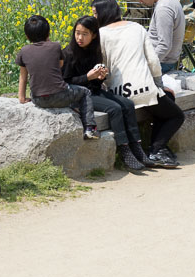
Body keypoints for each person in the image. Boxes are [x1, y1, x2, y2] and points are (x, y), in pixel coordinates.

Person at [90, 0, 184, 168]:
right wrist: (159, 86)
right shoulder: (136, 27)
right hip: (146, 90)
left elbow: (102, 68)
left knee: (164, 107)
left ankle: (156, 151)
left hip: (120, 95)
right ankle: (156, 149)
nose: (93, 18)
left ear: (103, 13)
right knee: (176, 115)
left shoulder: (100, 35)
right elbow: (154, 62)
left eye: (95, 14)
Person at [63, 15, 150, 171]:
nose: (79, 38)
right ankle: (125, 150)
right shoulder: (68, 53)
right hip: (80, 96)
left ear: (94, 35)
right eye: (77, 33)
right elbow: (66, 83)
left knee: (128, 104)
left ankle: (136, 146)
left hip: (94, 92)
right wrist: (88, 77)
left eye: (84, 34)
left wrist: (100, 77)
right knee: (114, 109)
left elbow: (94, 83)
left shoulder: (95, 52)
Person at [17, 14, 98, 138]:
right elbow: (60, 65)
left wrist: (22, 98)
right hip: (60, 95)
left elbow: (23, 77)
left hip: (38, 99)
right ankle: (90, 128)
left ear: (27, 36)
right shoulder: (55, 46)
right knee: (85, 93)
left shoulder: (23, 51)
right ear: (48, 33)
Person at [126, 0, 185, 73]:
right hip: (163, 62)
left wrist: (145, 65)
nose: (140, 1)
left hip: (162, 64)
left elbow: (164, 45)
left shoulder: (164, 8)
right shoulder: (170, 0)